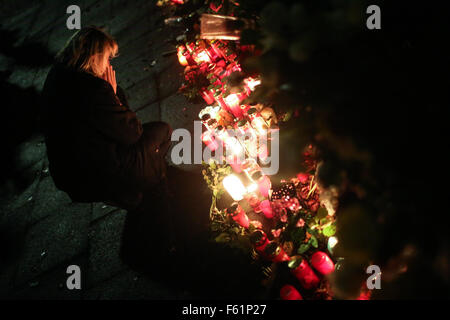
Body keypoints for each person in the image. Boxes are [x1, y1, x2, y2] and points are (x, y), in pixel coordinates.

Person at [41, 26, 172, 210]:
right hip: (101, 174)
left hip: (72, 178)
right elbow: (132, 132)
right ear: (94, 57)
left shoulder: (58, 75)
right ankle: (145, 184)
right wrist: (113, 91)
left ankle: (127, 190)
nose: (109, 64)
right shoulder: (92, 89)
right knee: (162, 131)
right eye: (107, 58)